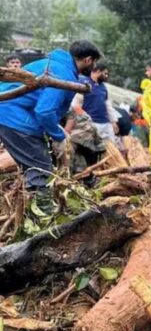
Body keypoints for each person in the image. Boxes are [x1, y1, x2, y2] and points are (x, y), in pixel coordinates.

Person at [0, 41, 101, 212]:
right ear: (88, 60)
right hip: (13, 116)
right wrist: (58, 136)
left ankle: (30, 211)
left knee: (34, 168)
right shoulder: (62, 73)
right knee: (40, 169)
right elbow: (44, 112)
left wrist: (55, 129)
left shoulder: (52, 64)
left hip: (9, 111)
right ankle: (43, 217)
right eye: (94, 63)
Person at [72, 62, 122, 150]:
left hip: (105, 123)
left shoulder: (103, 87)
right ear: (98, 71)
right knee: (92, 150)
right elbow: (76, 105)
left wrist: (113, 121)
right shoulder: (84, 83)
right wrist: (86, 121)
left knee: (111, 148)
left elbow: (108, 105)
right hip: (91, 123)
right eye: (105, 73)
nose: (106, 76)